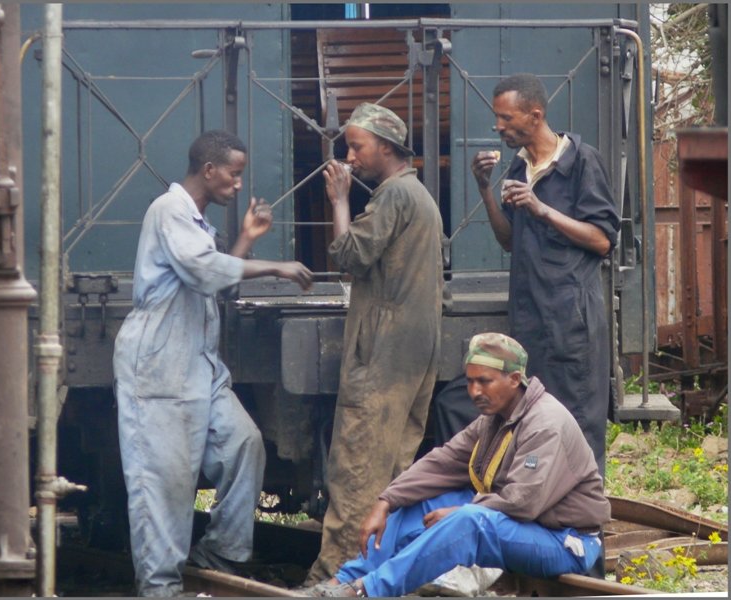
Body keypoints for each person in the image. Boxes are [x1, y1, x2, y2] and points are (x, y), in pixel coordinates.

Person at [112, 129, 313, 597]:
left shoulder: (196, 221)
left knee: (244, 444)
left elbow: (210, 278)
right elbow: (204, 270)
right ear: (208, 170)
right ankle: (160, 587)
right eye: (234, 173)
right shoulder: (168, 210)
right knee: (163, 482)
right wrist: (275, 265)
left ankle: (220, 555)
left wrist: (244, 240)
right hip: (159, 365)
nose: (239, 184)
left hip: (198, 364)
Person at [302, 333, 611, 597]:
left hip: (564, 541)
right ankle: (341, 582)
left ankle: (365, 591)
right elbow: (443, 461)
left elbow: (524, 501)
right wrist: (387, 500)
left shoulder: (545, 424)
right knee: (420, 503)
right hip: (524, 525)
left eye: (484, 382)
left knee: (470, 521)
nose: (475, 391)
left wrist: (462, 512)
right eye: (470, 381)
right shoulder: (495, 419)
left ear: (515, 379)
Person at [305, 103, 445, 583]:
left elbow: (351, 256)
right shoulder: (419, 195)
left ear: (386, 147)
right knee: (392, 473)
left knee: (357, 471)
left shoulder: (391, 197)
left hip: (382, 355)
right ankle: (374, 573)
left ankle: (335, 578)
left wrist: (340, 200)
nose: (350, 155)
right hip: (414, 356)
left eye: (356, 145)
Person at [462, 73, 621, 478]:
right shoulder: (519, 166)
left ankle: (585, 527)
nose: (498, 126)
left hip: (571, 322)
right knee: (533, 426)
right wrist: (484, 189)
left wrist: (541, 208)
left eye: (506, 117)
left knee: (577, 423)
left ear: (535, 115)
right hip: (530, 319)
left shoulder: (582, 162)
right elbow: (510, 242)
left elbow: (603, 240)